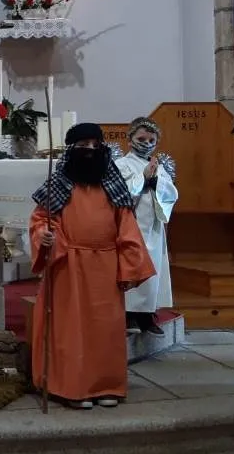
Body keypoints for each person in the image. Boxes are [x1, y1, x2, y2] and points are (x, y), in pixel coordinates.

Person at [29, 123, 154, 410]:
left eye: (95, 146)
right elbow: (41, 220)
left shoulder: (115, 188)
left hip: (106, 268)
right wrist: (46, 236)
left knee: (105, 330)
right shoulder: (58, 186)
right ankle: (72, 387)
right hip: (67, 266)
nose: (90, 152)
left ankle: (106, 385)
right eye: (83, 146)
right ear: (71, 151)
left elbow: (128, 229)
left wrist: (129, 266)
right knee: (70, 331)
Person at [115, 117, 179, 335]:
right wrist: (142, 179)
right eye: (141, 139)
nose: (147, 143)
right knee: (133, 268)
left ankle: (146, 315)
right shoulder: (121, 165)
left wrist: (156, 183)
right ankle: (128, 314)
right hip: (131, 225)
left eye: (151, 140)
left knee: (153, 271)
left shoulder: (158, 166)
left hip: (153, 227)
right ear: (130, 140)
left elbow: (171, 194)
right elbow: (120, 193)